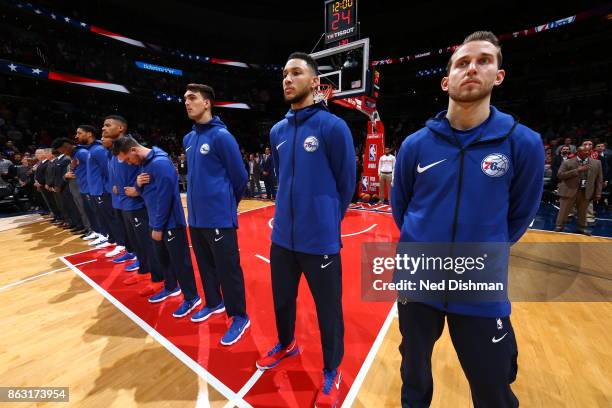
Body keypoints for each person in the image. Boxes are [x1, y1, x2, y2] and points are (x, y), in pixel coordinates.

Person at [391, 31, 544, 407]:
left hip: (480, 286)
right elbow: (402, 207)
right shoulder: (414, 145)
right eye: (462, 63)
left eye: (483, 61)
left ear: (498, 75)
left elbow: (520, 214)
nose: (471, 68)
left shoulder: (523, 142)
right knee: (414, 378)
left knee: (492, 387)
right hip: (418, 279)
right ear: (446, 81)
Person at [255, 52, 356, 407]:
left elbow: (347, 183)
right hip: (282, 238)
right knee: (282, 300)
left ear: (315, 82)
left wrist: (326, 218)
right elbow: (281, 177)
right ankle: (286, 344)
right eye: (284, 73)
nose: (287, 79)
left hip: (320, 240)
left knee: (328, 310)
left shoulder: (333, 127)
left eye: (296, 72)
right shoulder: (277, 131)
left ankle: (332, 369)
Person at [182, 83, 250, 346]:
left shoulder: (222, 137)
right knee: (205, 265)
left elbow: (240, 177)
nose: (187, 103)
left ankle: (239, 316)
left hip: (219, 218)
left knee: (228, 269)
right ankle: (213, 302)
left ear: (207, 102)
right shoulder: (188, 139)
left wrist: (227, 206)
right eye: (185, 99)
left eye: (192, 98)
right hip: (196, 218)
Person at [113, 136, 201, 317]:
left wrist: (159, 227)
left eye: (128, 159)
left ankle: (192, 297)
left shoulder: (160, 163)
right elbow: (143, 191)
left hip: (170, 223)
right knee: (164, 260)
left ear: (133, 150)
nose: (129, 164)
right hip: (155, 220)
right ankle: (171, 287)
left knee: (180, 263)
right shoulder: (144, 164)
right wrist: (138, 183)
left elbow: (165, 198)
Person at [555, 146, 603, 235]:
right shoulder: (567, 162)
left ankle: (582, 228)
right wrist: (577, 170)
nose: (588, 152)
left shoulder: (597, 163)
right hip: (569, 190)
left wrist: (598, 193)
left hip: (585, 191)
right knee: (564, 210)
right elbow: (560, 175)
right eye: (585, 151)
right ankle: (559, 226)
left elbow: (599, 180)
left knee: (583, 211)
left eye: (589, 151)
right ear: (578, 152)